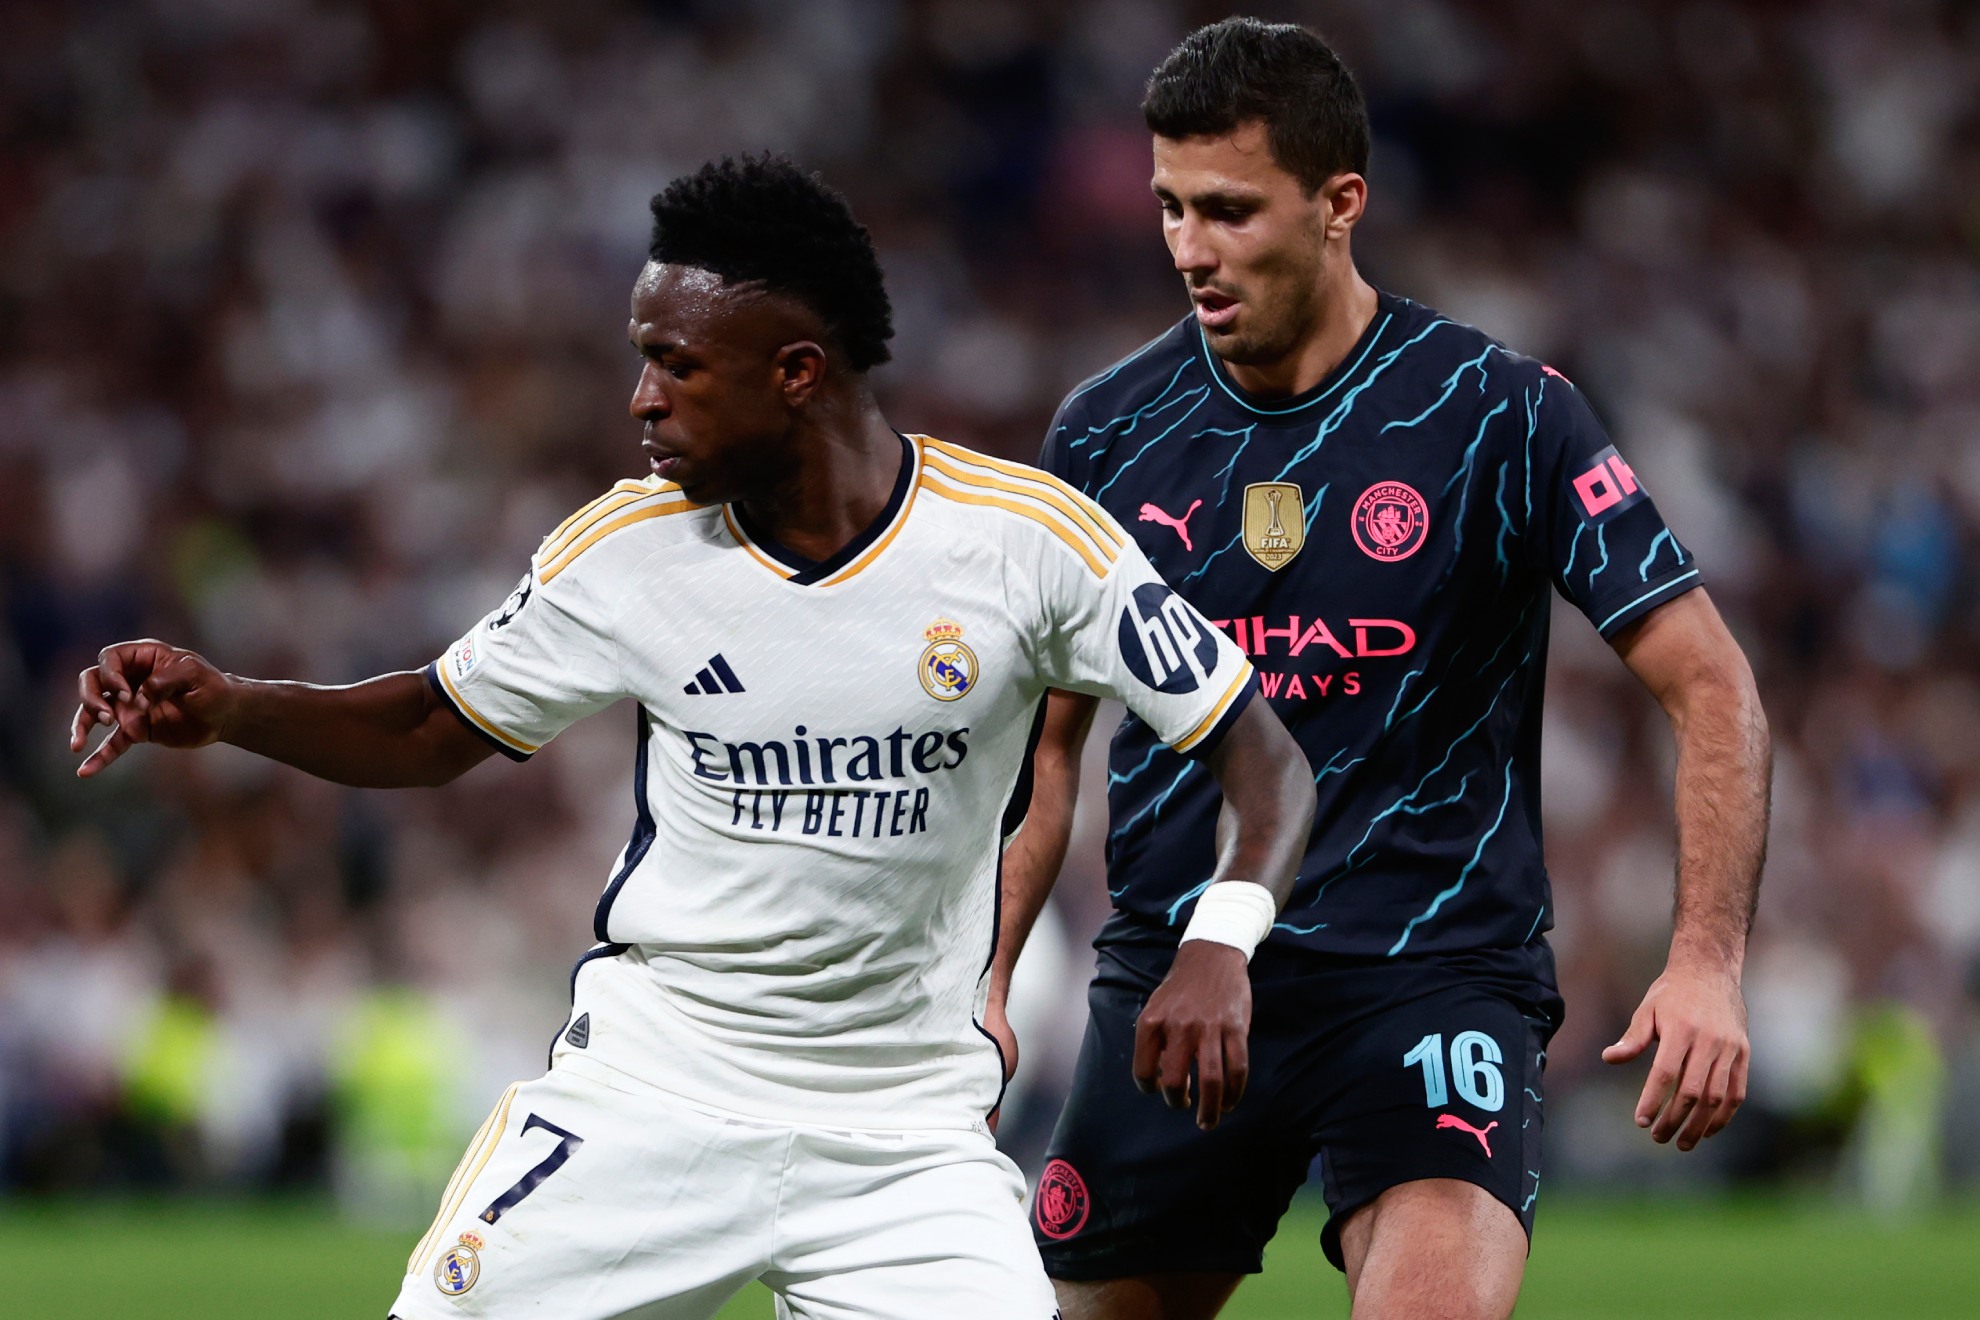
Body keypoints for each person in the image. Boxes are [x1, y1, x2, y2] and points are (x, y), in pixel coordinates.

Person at [67, 155, 1316, 1320]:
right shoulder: (628, 551)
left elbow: (1264, 761)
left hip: (903, 1140)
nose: (640, 398)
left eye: (674, 364)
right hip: (649, 1103)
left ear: (795, 372)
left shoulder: (1028, 544)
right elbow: (431, 725)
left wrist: (1219, 945)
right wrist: (232, 706)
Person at [984, 20, 1772, 1320]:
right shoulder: (1107, 431)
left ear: (1342, 202)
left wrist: (1705, 961)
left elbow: (1714, 688)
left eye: (1231, 211)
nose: (1191, 248)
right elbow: (1044, 749)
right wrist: (991, 983)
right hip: (1177, 983)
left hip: (1429, 975)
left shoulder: (1500, 413)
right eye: (1173, 207)